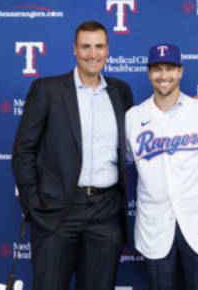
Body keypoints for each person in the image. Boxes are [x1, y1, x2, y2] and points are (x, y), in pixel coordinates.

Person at [11, 20, 133, 290]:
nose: (93, 53)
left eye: (99, 46)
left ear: (108, 50)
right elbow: (23, 151)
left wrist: (193, 107)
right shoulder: (47, 90)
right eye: (85, 46)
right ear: (74, 50)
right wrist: (34, 205)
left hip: (106, 210)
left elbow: (150, 124)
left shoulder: (120, 91)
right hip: (58, 211)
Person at [125, 43, 198, 290]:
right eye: (157, 69)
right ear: (149, 73)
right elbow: (127, 159)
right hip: (155, 223)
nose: (163, 76)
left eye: (170, 68)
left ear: (180, 71)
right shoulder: (133, 117)